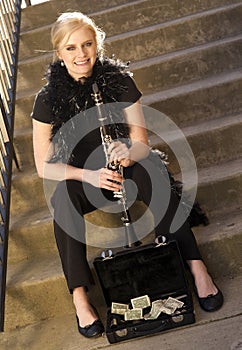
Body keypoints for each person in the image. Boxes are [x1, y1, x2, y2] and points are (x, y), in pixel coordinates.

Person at [31, 12, 223, 339]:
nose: (81, 54)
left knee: (152, 171)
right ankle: (80, 297)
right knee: (62, 196)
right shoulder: (46, 99)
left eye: (87, 44)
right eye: (71, 48)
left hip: (124, 168)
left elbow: (142, 143)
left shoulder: (119, 80)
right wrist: (89, 177)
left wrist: (127, 151)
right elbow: (43, 166)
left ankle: (196, 266)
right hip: (84, 178)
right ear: (58, 54)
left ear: (97, 44)